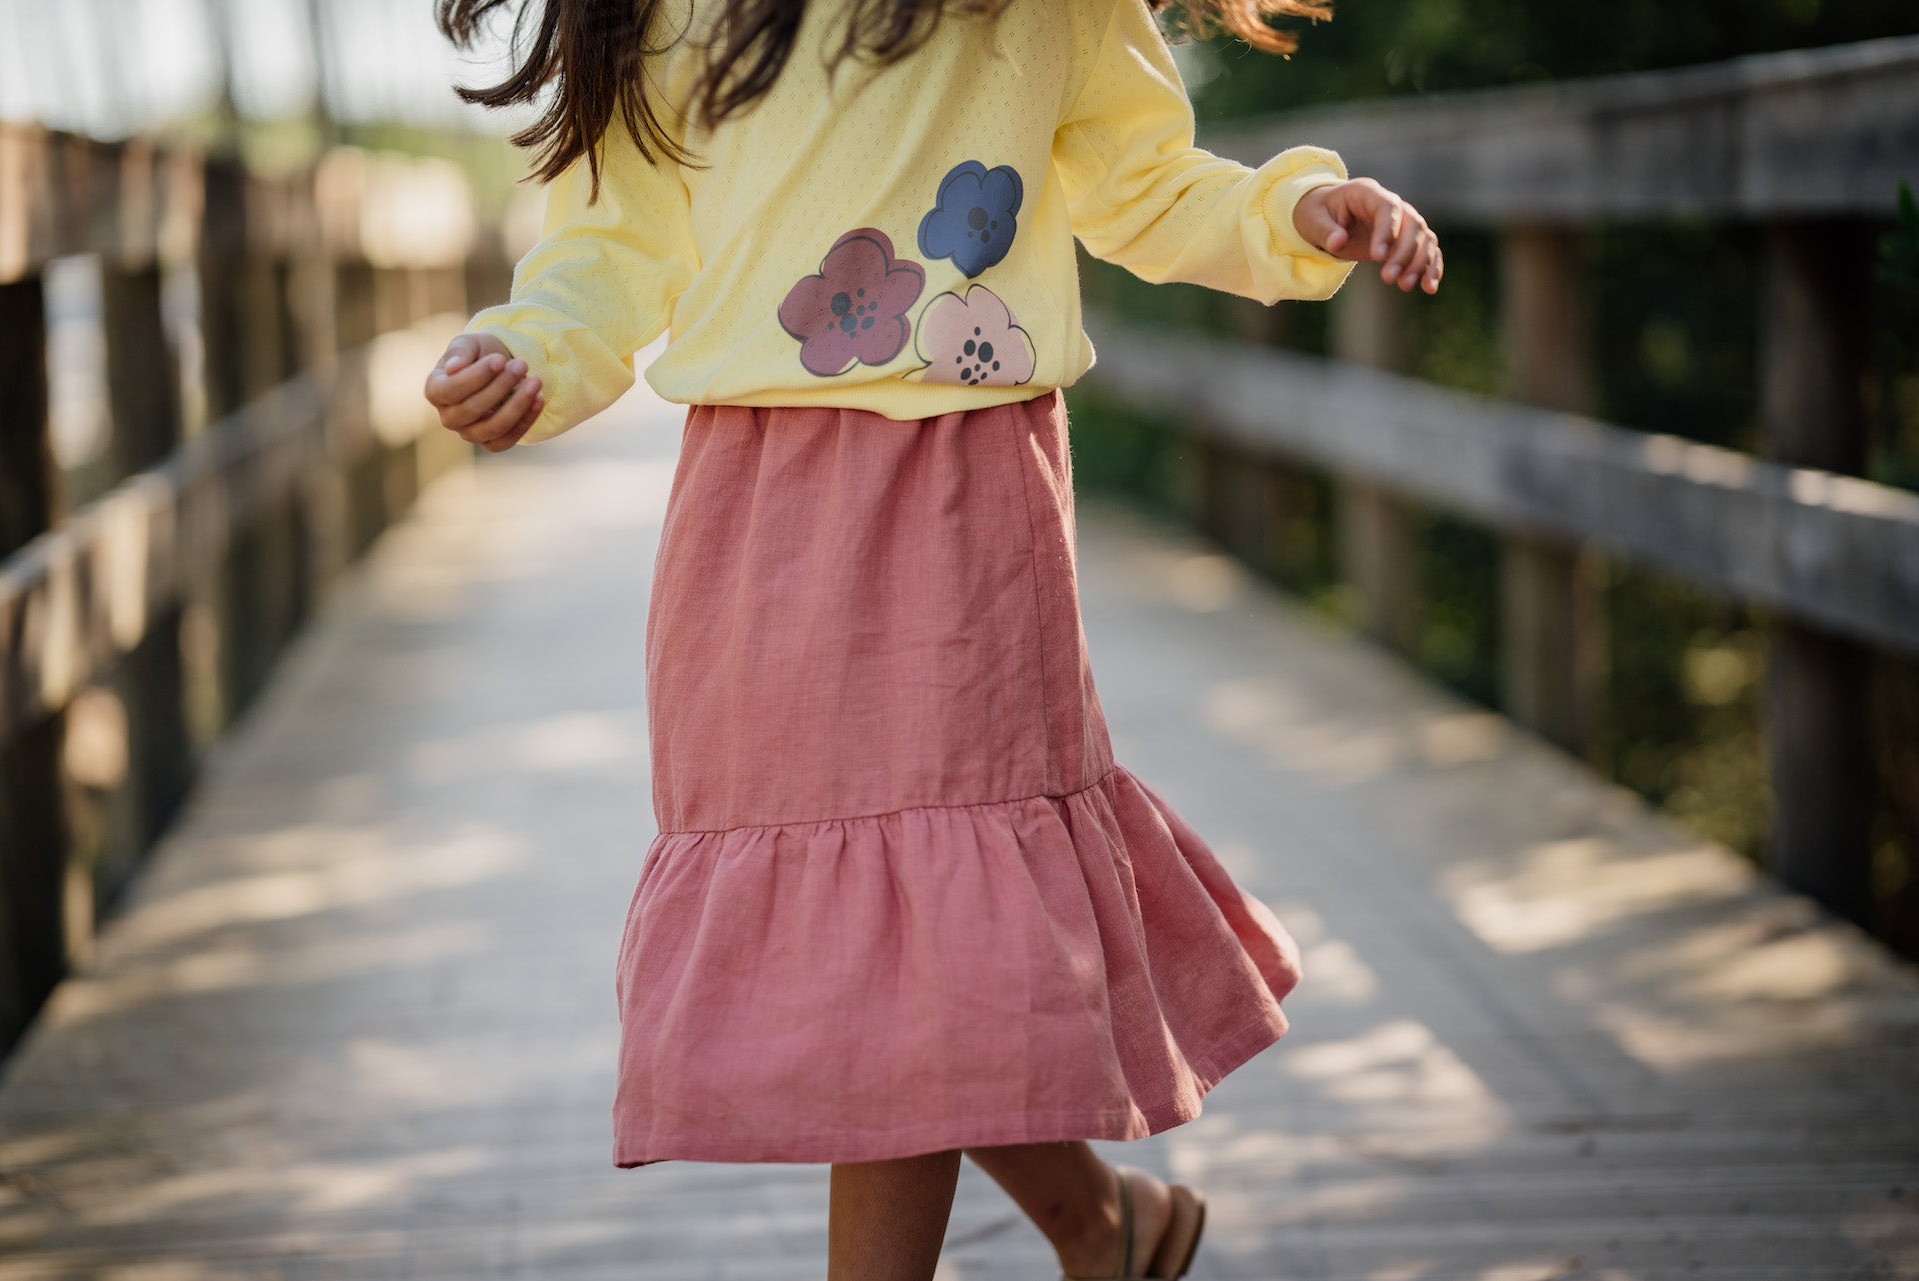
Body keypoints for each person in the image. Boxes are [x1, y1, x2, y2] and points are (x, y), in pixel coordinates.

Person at [424, 0, 1441, 1274]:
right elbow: (614, 244)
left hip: (970, 486)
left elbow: (1143, 179)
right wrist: (527, 351)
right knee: (881, 933)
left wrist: (1289, 215)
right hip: (757, 505)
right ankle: (1108, 1227)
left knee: (932, 897)